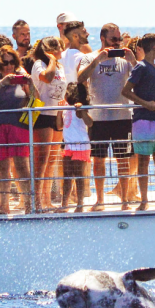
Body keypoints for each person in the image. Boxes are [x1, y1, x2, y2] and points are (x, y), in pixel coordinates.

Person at [78, 23, 138, 210]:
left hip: (122, 116)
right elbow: (79, 78)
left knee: (123, 158)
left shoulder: (125, 59)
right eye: (114, 39)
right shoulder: (89, 57)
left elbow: (140, 78)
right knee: (99, 160)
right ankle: (100, 200)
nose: (118, 42)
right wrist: (98, 60)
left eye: (119, 39)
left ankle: (125, 200)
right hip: (99, 117)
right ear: (103, 39)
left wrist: (134, 60)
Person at [121, 33, 155, 211]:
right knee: (143, 161)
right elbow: (126, 91)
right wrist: (145, 104)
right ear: (153, 48)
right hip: (143, 119)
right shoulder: (141, 67)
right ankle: (144, 200)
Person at [0, 46, 35, 214]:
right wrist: (3, 82)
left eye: (12, 62)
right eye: (5, 62)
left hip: (18, 126)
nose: (9, 66)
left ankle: (29, 204)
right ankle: (3, 205)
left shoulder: (21, 77)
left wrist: (30, 82)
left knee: (21, 166)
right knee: (2, 167)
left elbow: (35, 98)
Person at [30, 37, 68, 209]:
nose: (61, 49)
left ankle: (46, 199)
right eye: (59, 47)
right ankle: (36, 199)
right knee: (42, 159)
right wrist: (51, 60)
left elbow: (61, 90)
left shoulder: (60, 66)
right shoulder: (40, 64)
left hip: (56, 114)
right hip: (43, 114)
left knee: (52, 159)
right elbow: (46, 78)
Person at [57, 83, 93, 213]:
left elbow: (90, 122)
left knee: (79, 175)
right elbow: (59, 126)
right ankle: (64, 204)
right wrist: (59, 110)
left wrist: (82, 111)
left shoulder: (80, 108)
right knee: (67, 175)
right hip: (68, 145)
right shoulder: (66, 107)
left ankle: (80, 204)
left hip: (80, 146)